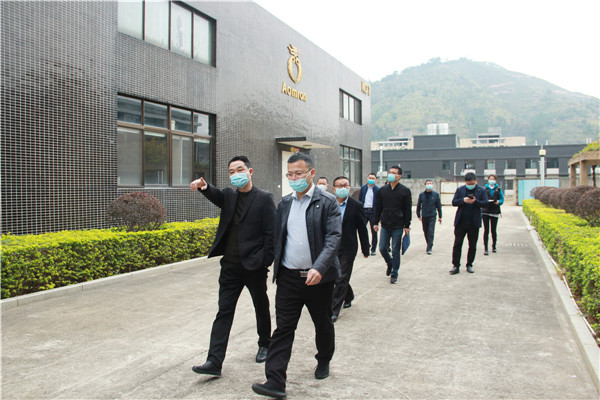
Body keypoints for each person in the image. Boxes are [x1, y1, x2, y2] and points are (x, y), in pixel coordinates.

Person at [252, 153, 341, 399]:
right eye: (290, 174)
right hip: (289, 278)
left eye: (298, 173)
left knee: (322, 323)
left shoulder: (328, 202)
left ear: (311, 173)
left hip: (318, 279)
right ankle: (275, 381)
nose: (293, 178)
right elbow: (277, 238)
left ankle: (324, 359)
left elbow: (334, 238)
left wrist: (319, 267)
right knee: (283, 329)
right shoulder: (284, 204)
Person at [189, 155, 275, 377]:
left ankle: (265, 343)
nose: (236, 174)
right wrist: (204, 186)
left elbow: (271, 234)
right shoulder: (229, 196)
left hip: (254, 267)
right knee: (224, 312)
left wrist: (264, 262)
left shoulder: (264, 198)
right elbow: (215, 194)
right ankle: (214, 361)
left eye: (239, 170)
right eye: (231, 172)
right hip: (230, 267)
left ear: (250, 171)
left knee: (260, 306)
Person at [331, 176, 370, 322]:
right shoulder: (329, 204)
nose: (343, 188)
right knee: (335, 276)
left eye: (345, 185)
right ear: (334, 189)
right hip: (332, 247)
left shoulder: (356, 206)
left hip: (348, 247)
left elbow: (362, 229)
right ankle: (349, 295)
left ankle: (334, 310)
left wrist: (366, 249)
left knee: (341, 277)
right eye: (339, 186)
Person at [373, 165, 412, 284]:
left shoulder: (405, 191)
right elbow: (378, 207)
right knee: (382, 248)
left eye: (394, 173)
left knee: (395, 249)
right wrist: (375, 222)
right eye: (390, 172)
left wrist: (407, 225)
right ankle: (390, 263)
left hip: (398, 225)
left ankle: (394, 273)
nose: (390, 174)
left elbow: (407, 209)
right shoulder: (382, 190)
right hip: (385, 224)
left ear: (399, 176)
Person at [449, 172, 488, 275]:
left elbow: (485, 203)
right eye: (468, 184)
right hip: (461, 222)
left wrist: (475, 202)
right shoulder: (460, 190)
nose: (470, 185)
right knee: (457, 244)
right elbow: (454, 202)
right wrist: (463, 200)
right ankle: (455, 265)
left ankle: (469, 264)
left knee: (472, 245)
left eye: (472, 183)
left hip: (474, 222)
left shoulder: (481, 190)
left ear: (476, 181)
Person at [416, 179, 442, 255]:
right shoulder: (421, 195)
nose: (429, 185)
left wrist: (440, 216)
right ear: (425, 185)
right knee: (425, 231)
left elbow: (438, 206)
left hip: (432, 216)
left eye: (430, 183)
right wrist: (418, 215)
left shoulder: (435, 195)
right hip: (424, 216)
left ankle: (429, 248)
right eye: (428, 183)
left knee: (431, 231)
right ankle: (429, 243)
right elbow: (418, 205)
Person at [481, 174, 504, 255]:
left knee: (493, 230)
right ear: (488, 180)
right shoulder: (484, 189)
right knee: (486, 230)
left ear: (495, 180)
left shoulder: (498, 189)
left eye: (493, 179)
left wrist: (499, 202)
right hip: (485, 211)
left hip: (495, 211)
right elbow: (481, 198)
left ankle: (494, 246)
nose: (492, 180)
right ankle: (486, 248)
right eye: (490, 179)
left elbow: (502, 199)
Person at [358, 172, 380, 256]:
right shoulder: (363, 188)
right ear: (367, 178)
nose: (371, 180)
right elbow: (360, 199)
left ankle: (373, 249)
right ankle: (366, 246)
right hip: (364, 211)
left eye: (373, 178)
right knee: (362, 230)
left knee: (374, 231)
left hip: (373, 212)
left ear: (376, 180)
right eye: (370, 178)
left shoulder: (377, 189)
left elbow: (379, 203)